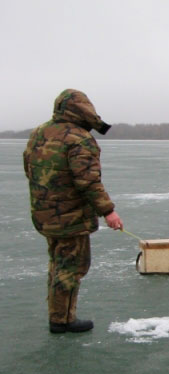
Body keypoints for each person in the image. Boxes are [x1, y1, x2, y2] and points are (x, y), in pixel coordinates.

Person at [23, 89, 124, 333]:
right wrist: (108, 212)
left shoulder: (39, 133)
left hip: (45, 214)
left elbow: (29, 168)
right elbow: (88, 181)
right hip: (70, 218)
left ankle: (59, 315)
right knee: (71, 266)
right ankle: (62, 320)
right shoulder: (78, 138)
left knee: (57, 263)